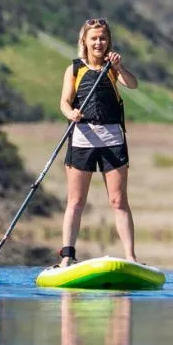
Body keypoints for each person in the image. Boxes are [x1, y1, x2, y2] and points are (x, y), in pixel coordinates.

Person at [57, 17, 140, 268]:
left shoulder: (113, 68)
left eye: (103, 38)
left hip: (112, 139)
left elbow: (133, 85)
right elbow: (64, 102)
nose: (98, 42)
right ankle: (67, 256)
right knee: (76, 200)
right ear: (85, 40)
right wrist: (70, 113)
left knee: (118, 201)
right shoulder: (74, 69)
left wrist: (120, 67)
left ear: (108, 41)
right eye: (94, 38)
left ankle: (131, 257)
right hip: (82, 138)